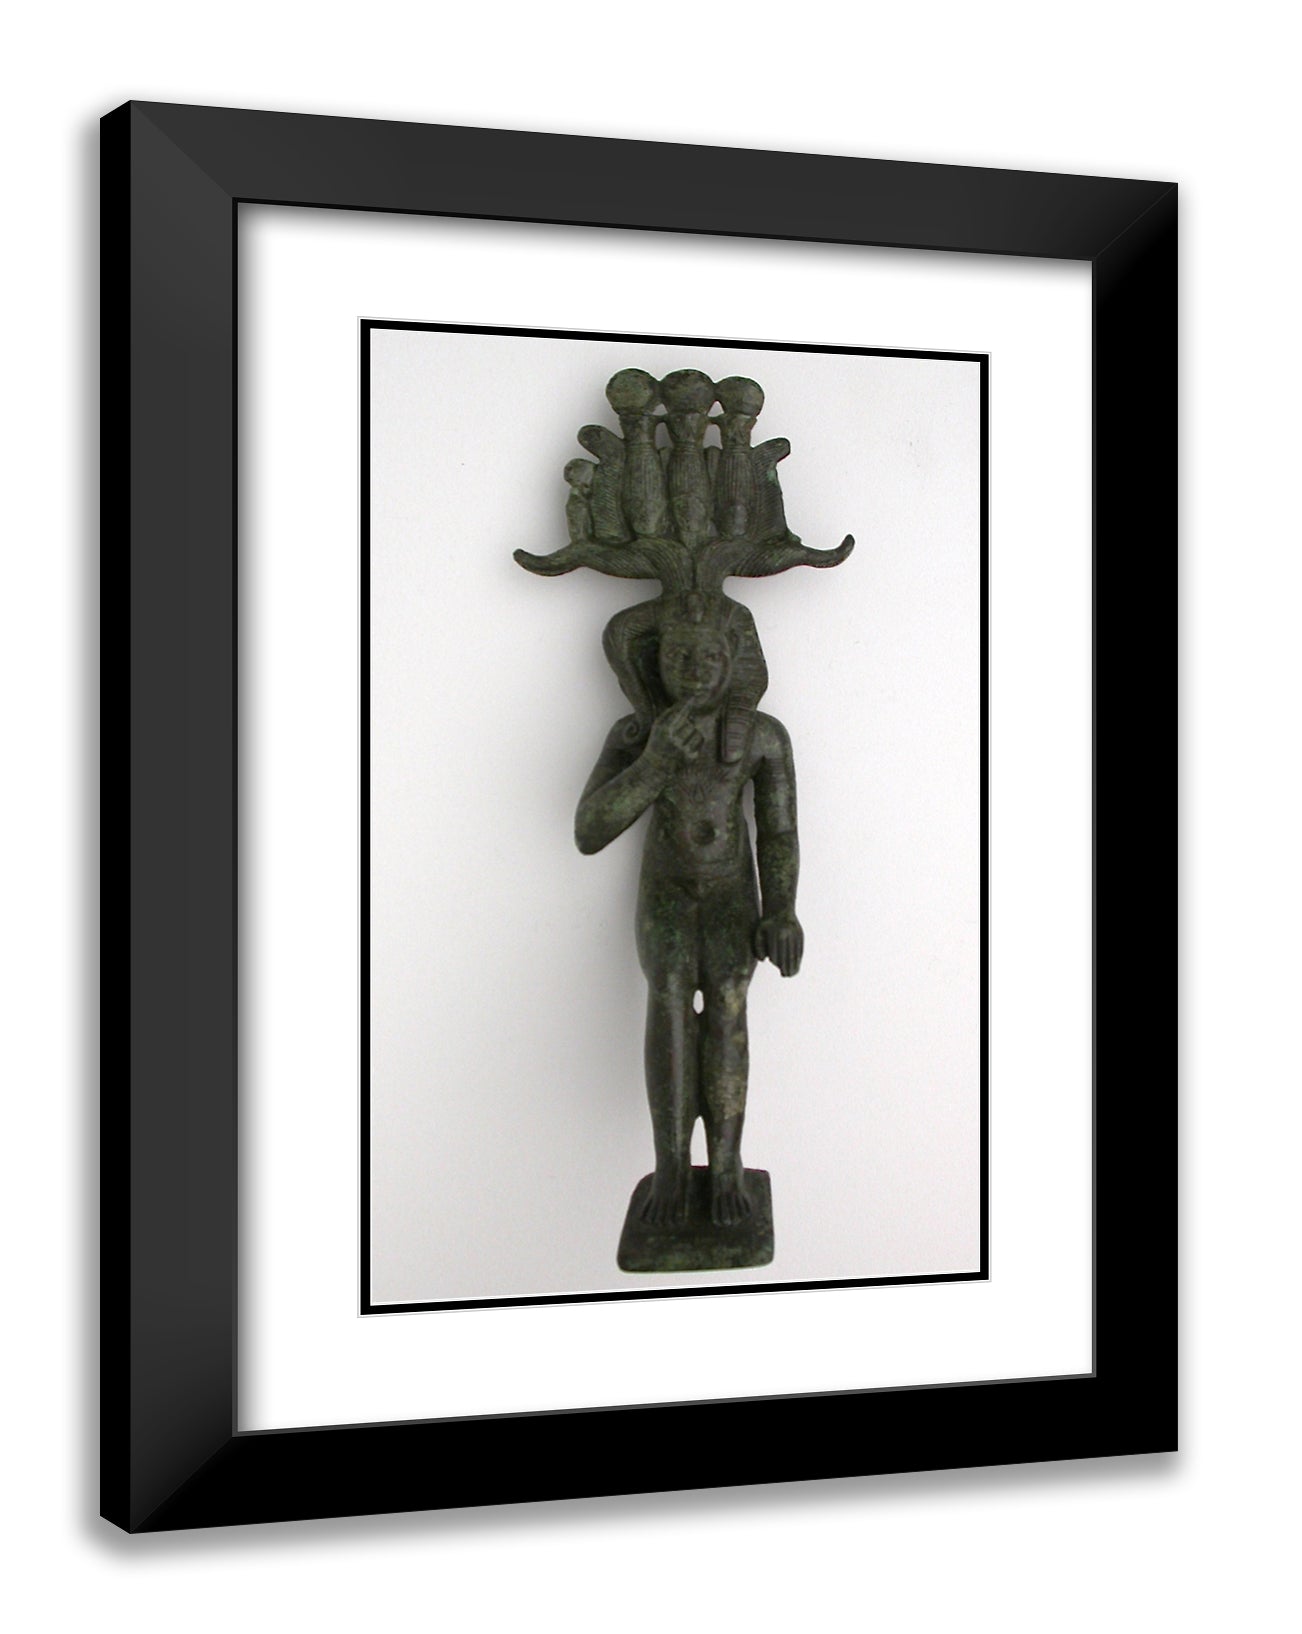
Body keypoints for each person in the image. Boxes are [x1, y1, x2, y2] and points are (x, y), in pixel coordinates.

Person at [575, 592, 802, 1227]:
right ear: (655, 663)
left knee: (728, 1005)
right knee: (670, 1003)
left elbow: (779, 831)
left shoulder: (760, 736)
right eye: (679, 656)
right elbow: (590, 829)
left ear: (736, 663)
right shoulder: (636, 735)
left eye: (710, 657)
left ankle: (726, 1165)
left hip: (732, 892)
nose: (696, 670)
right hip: (668, 893)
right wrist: (654, 763)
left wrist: (782, 909)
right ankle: (672, 1165)